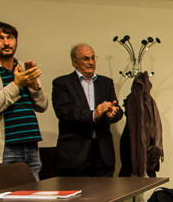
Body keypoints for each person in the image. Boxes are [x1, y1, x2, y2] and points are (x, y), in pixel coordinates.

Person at [0, 22, 48, 179]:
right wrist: (16, 85)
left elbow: (42, 105)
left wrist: (33, 86)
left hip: (30, 145)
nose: (6, 43)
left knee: (34, 200)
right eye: (0, 38)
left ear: (16, 42)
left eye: (10, 38)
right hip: (4, 149)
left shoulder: (22, 69)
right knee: (7, 201)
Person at [51, 43, 122, 178]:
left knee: (105, 196)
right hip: (74, 152)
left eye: (93, 58)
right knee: (76, 197)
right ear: (74, 62)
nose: (90, 62)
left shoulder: (105, 83)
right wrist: (93, 115)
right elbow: (63, 111)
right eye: (85, 59)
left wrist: (111, 114)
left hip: (102, 152)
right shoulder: (62, 83)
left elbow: (117, 110)